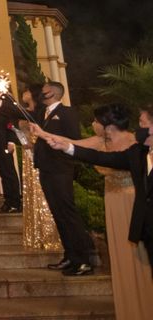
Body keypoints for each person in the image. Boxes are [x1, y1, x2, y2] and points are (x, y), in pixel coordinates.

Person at [39, 105, 153, 318]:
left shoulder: (136, 144)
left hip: (135, 206)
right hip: (121, 207)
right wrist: (61, 144)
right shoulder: (132, 149)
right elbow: (99, 157)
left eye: (145, 124)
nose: (141, 129)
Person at [32, 81, 94, 276]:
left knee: (67, 212)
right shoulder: (42, 113)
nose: (40, 93)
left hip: (61, 168)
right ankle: (70, 255)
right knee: (58, 213)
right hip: (46, 168)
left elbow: (74, 140)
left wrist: (46, 136)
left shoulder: (67, 113)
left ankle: (83, 260)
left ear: (51, 93)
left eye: (43, 91)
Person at [18, 84, 61, 251]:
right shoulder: (23, 111)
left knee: (42, 192)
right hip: (28, 155)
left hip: (40, 155)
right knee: (31, 192)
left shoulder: (41, 113)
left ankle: (49, 233)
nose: (24, 93)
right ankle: (35, 233)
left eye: (27, 91)